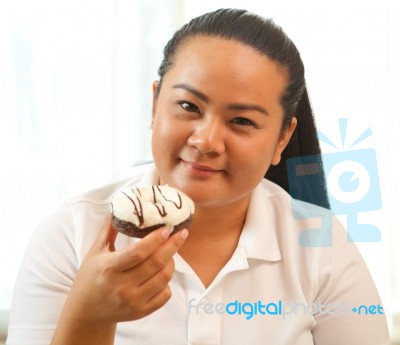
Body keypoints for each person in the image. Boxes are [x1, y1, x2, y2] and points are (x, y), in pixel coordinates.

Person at [7, 8, 390, 345]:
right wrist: (89, 317)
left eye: (241, 121)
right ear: (156, 104)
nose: (205, 140)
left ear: (282, 138)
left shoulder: (322, 245)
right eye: (188, 106)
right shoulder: (70, 235)